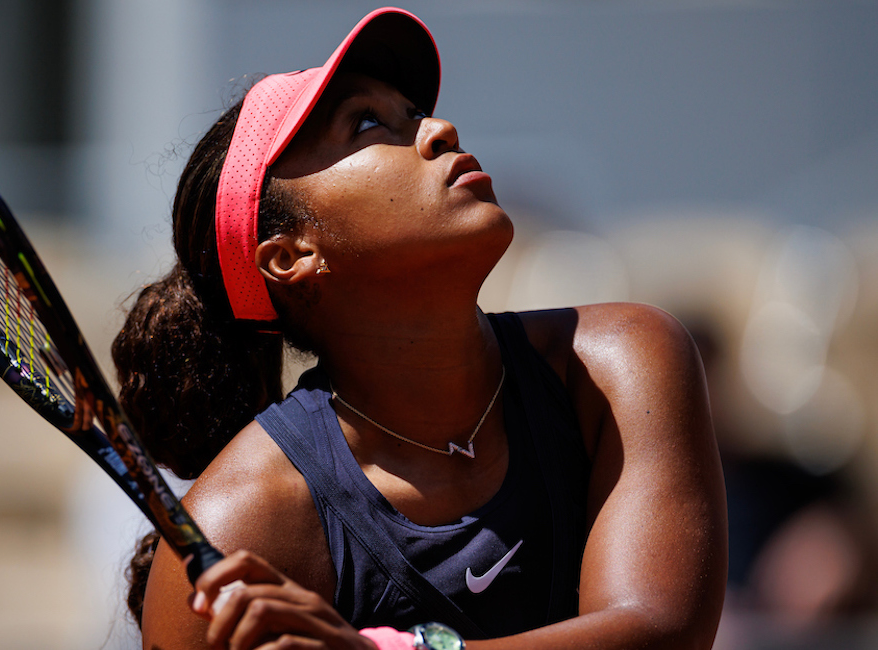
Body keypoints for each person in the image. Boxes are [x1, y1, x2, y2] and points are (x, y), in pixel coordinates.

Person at [113, 7, 726, 649]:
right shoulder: (239, 523)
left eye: (413, 112)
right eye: (369, 122)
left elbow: (661, 633)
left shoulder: (620, 359)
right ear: (290, 255)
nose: (439, 129)